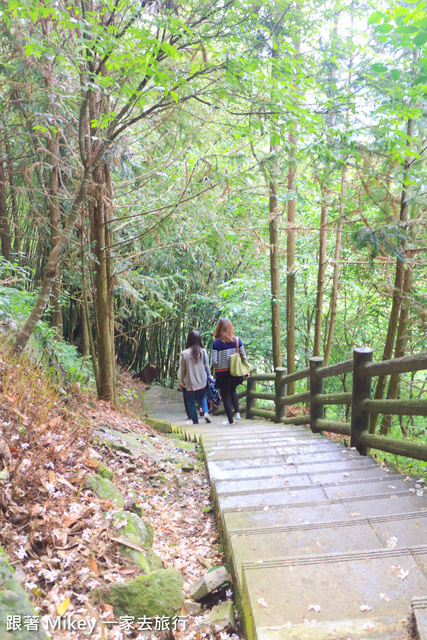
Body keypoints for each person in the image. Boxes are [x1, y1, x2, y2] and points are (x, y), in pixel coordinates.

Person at [211, 317, 246, 425]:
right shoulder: (237, 340)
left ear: (219, 328)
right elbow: (243, 356)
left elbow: (214, 361)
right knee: (233, 390)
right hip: (235, 372)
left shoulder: (216, 343)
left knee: (225, 395)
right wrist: (246, 370)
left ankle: (230, 421)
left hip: (222, 374)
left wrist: (219, 365)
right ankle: (237, 412)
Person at [178, 330, 212, 425]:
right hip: (202, 381)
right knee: (202, 398)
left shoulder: (184, 353)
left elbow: (182, 370)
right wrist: (209, 376)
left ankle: (195, 421)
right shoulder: (203, 352)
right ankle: (205, 413)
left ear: (189, 340)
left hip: (190, 382)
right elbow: (207, 366)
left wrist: (181, 381)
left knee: (190, 402)